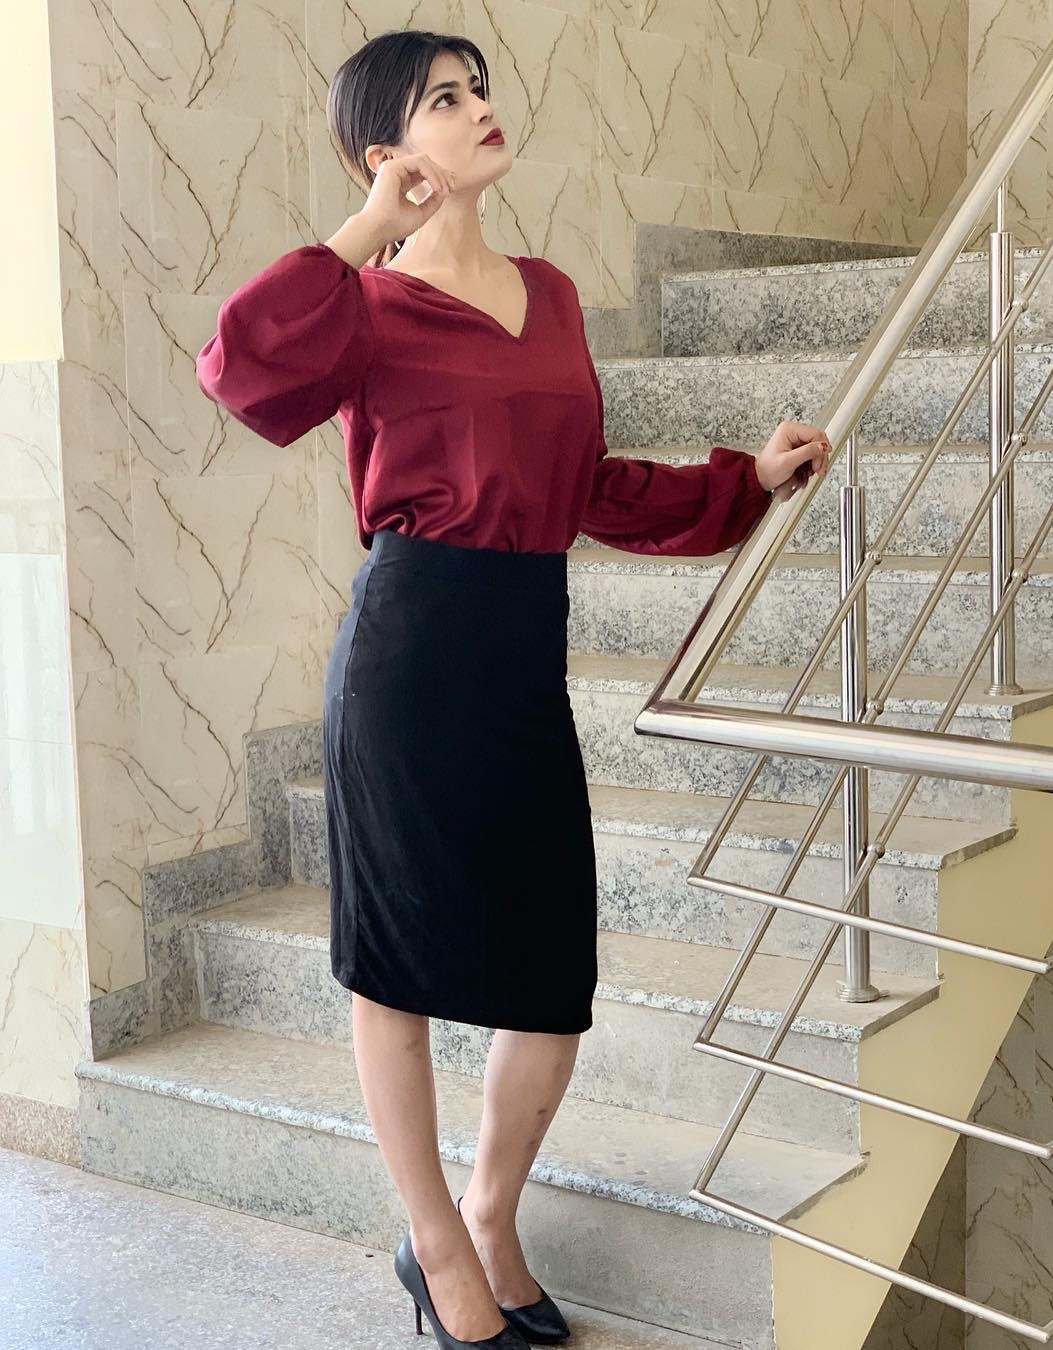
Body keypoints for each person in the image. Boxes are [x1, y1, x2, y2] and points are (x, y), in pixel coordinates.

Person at [195, 28, 831, 1350]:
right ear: (386, 152)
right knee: (395, 971)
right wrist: (369, 229)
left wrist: (744, 482)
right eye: (444, 98)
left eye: (477, 87)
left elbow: (586, 484)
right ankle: (435, 1245)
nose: (479, 107)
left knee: (549, 972)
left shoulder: (550, 293)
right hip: (409, 658)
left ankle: (489, 1211)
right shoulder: (364, 307)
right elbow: (240, 366)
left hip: (521, 652)